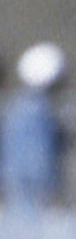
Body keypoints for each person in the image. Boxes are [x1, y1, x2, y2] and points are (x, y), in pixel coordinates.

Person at [1, 42, 69, 211]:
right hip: (29, 196)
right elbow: (37, 158)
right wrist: (50, 191)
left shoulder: (17, 107)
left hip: (16, 190)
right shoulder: (36, 112)